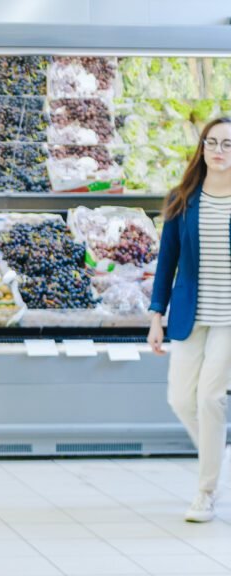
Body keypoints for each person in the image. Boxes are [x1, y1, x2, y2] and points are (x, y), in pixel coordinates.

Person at [149, 117, 231, 524]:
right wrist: (155, 316)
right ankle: (216, 455)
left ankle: (206, 492)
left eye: (228, 144)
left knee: (210, 398)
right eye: (212, 142)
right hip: (189, 313)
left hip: (229, 318)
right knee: (180, 399)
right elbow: (167, 263)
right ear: (201, 148)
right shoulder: (183, 198)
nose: (219, 150)